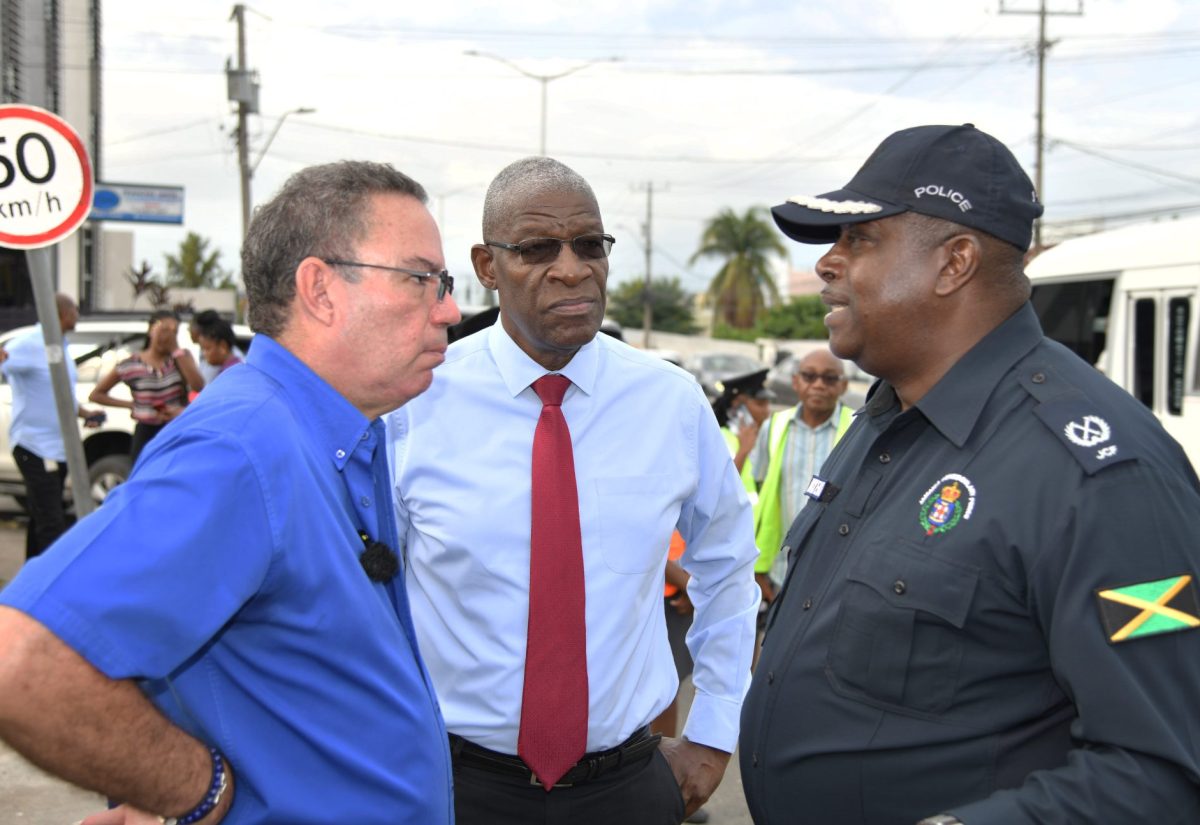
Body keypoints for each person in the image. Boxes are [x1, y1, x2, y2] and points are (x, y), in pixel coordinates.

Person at [739, 123, 1200, 824]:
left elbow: (1162, 771)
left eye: (858, 239)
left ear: (954, 263)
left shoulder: (1101, 477)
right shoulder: (883, 420)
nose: (828, 263)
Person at [0, 160, 461, 824]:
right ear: (321, 290)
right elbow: (25, 663)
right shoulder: (242, 450)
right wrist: (196, 788)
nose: (447, 307)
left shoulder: (335, 430)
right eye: (422, 279)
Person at [388, 156, 760, 825]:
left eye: (590, 245)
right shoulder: (415, 401)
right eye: (537, 248)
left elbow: (729, 566)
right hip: (452, 786)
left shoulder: (668, 400)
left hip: (628, 788)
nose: (571, 267)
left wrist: (713, 729)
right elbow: (366, 594)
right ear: (486, 265)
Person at [0, 294, 104, 558]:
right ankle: (48, 587)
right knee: (52, 522)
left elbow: (60, 393)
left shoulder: (59, 346)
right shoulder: (29, 343)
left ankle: (28, 580)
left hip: (58, 447)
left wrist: (83, 412)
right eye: (75, 310)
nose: (78, 314)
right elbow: (5, 360)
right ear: (62, 313)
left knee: (42, 515)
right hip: (33, 445)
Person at [747, 349, 850, 600]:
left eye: (829, 378)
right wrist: (758, 568)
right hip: (780, 569)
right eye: (809, 376)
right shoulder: (774, 427)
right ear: (795, 381)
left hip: (836, 570)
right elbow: (760, 491)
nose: (818, 385)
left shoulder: (856, 429)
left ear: (844, 386)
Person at [89, 310, 205, 463]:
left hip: (175, 427)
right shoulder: (131, 364)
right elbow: (96, 394)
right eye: (164, 330)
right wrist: (132, 405)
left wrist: (175, 349)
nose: (168, 336)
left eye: (174, 332)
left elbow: (198, 385)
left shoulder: (181, 357)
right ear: (151, 330)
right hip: (146, 430)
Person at [189, 310, 246, 386]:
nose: (205, 354)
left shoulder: (232, 372)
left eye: (207, 349)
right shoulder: (225, 370)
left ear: (223, 346)